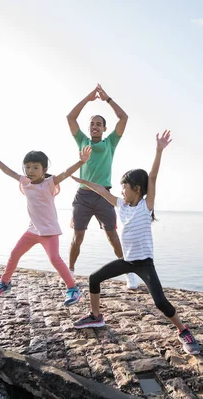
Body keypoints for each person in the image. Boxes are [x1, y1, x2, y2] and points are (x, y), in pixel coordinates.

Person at [71, 131, 201, 355]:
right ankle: (96, 316)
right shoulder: (121, 205)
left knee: (160, 302)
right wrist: (83, 181)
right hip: (127, 261)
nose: (121, 190)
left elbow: (152, 177)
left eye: (125, 186)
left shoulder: (145, 206)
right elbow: (102, 190)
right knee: (94, 278)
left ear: (137, 189)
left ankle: (183, 330)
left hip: (144, 264)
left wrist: (159, 150)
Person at [0, 145, 92, 306]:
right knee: (15, 253)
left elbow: (66, 173)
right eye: (28, 167)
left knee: (54, 259)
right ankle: (5, 283)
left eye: (35, 167)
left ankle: (73, 289)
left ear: (44, 169)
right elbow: (7, 170)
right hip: (32, 230)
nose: (30, 171)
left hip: (49, 231)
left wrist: (81, 161)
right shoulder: (25, 182)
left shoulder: (49, 183)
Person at [66, 84, 139, 289]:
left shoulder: (110, 143)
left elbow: (124, 118)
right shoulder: (82, 140)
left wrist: (108, 99)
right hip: (83, 196)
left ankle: (129, 274)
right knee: (77, 237)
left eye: (99, 124)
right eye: (92, 124)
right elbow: (70, 118)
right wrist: (88, 98)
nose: (95, 126)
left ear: (104, 128)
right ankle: (69, 272)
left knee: (112, 236)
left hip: (104, 196)